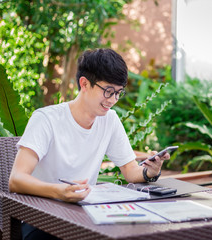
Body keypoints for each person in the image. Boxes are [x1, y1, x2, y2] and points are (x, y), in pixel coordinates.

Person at [9, 48, 169, 240]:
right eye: (108, 91)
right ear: (84, 83)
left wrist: (149, 172)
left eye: (118, 93)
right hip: (42, 218)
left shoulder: (109, 120)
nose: (113, 100)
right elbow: (16, 179)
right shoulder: (46, 119)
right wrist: (59, 192)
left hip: (87, 216)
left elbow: (130, 170)